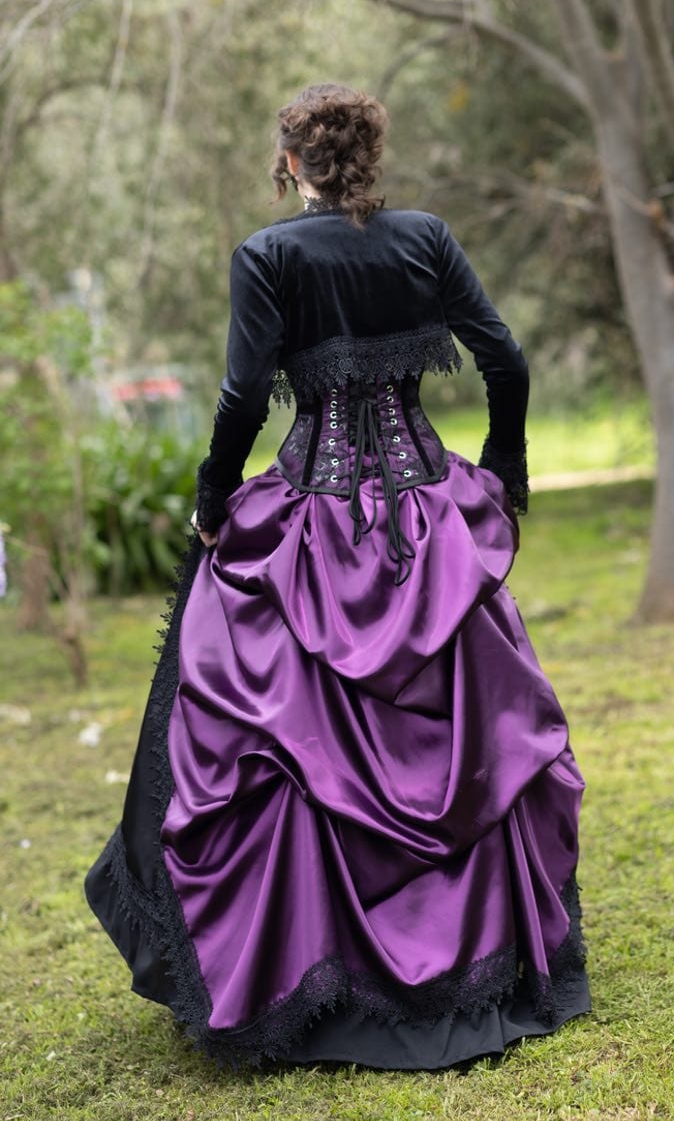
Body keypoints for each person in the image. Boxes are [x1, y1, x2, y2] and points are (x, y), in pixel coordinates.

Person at [85, 82, 590, 1070]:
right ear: (368, 156)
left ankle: (315, 982)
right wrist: (505, 475)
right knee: (464, 730)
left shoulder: (269, 254)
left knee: (283, 738)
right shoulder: (424, 238)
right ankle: (473, 961)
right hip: (426, 517)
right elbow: (508, 361)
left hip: (312, 523)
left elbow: (239, 396)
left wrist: (211, 499)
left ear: (290, 161)